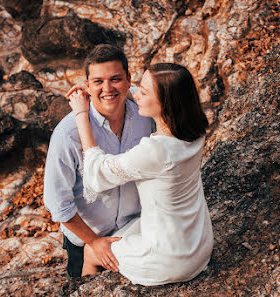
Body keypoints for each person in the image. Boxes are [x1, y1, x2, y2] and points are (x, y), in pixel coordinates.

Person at [67, 63, 214, 286]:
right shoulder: (194, 131)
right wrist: (111, 89)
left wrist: (80, 114)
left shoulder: (155, 151)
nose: (136, 96)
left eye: (143, 92)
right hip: (198, 244)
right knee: (128, 228)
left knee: (91, 250)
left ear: (165, 103)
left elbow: (96, 173)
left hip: (169, 258)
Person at [43, 44, 153, 278]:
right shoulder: (68, 134)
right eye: (98, 82)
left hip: (135, 228)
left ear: (128, 79)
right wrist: (94, 243)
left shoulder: (145, 114)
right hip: (87, 242)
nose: (107, 88)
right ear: (87, 85)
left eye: (116, 79)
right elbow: (58, 204)